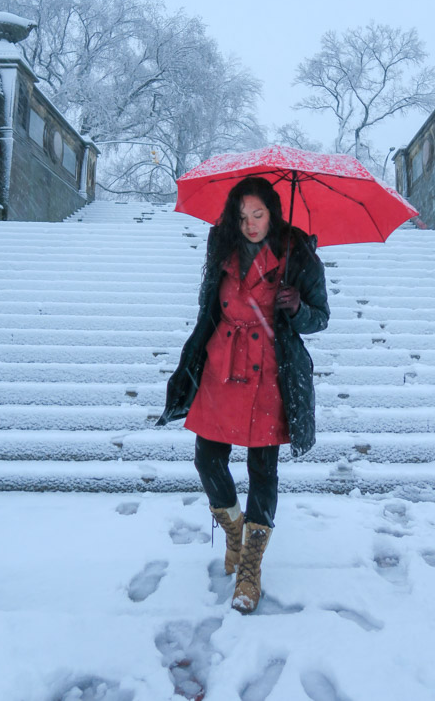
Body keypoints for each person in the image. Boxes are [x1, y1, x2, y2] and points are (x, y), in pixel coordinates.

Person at [156, 176, 330, 612]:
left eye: (258, 214)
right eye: (242, 216)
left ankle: (250, 566)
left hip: (270, 371)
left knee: (262, 471)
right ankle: (234, 531)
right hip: (221, 365)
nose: (251, 224)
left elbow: (321, 319)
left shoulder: (299, 254)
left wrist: (297, 307)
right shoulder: (221, 248)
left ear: (273, 212)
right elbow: (206, 309)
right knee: (207, 458)